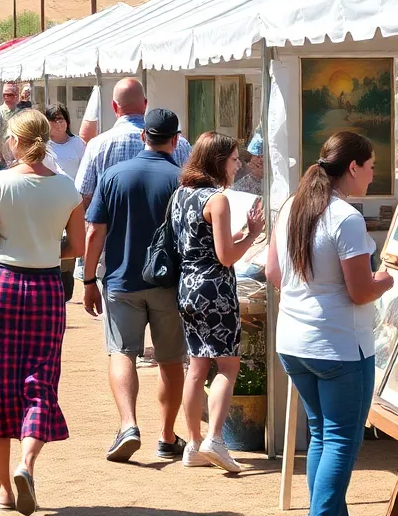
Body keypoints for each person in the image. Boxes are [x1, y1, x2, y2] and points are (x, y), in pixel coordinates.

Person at [0, 110, 85, 515]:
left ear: (14, 140)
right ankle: (26, 465)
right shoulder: (66, 187)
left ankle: (4, 489)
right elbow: (77, 246)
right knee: (40, 381)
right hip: (45, 287)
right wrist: (44, 245)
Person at [266, 131, 393, 516]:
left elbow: (273, 272)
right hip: (339, 346)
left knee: (322, 433)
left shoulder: (292, 206)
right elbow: (361, 291)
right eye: (370, 167)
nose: (372, 175)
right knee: (340, 439)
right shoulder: (346, 217)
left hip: (294, 342)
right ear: (352, 167)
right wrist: (387, 280)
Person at [82, 108, 187, 463]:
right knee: (170, 360)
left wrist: (89, 279)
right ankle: (167, 436)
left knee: (122, 352)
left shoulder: (113, 175)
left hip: (121, 280)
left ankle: (128, 424)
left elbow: (94, 232)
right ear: (175, 140)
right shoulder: (181, 180)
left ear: (144, 136)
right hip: (168, 284)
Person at [169, 132, 264, 473]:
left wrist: (237, 236)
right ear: (218, 161)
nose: (238, 166)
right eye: (235, 160)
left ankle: (194, 444)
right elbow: (225, 257)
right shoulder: (217, 199)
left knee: (196, 368)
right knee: (227, 366)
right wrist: (252, 234)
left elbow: (198, 242)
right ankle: (216, 439)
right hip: (215, 289)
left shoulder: (181, 194)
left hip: (188, 286)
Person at [76, 78, 192, 210]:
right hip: (166, 219)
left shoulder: (97, 145)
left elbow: (83, 196)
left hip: (112, 222)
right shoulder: (180, 144)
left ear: (114, 106)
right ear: (145, 104)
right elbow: (192, 189)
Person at [43, 104, 86, 301]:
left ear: (67, 122)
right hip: (49, 204)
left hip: (74, 203)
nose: (57, 124)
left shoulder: (78, 144)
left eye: (61, 119)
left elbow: (86, 172)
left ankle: (66, 284)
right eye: (53, 120)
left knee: (70, 244)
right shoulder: (43, 146)